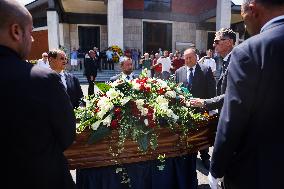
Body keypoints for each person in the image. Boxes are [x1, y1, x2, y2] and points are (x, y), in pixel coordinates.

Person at [0, 0, 76, 188]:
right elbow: (67, 136)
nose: (32, 40)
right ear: (16, 31)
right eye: (31, 32)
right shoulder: (42, 79)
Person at [208, 0, 284, 189]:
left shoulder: (249, 51)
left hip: (260, 171)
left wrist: (216, 169)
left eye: (243, 18)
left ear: (253, 9)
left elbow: (233, 117)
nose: (245, 25)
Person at [175, 48, 216, 171]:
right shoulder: (178, 72)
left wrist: (209, 108)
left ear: (196, 57)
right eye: (185, 58)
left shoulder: (205, 70)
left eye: (190, 58)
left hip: (201, 109)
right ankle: (188, 155)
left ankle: (205, 157)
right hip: (185, 111)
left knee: (203, 135)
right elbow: (175, 91)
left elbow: (211, 91)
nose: (187, 60)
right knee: (187, 135)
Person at [190, 28, 236, 112]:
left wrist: (205, 102)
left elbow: (233, 94)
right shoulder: (226, 61)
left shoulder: (236, 61)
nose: (214, 45)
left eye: (217, 42)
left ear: (229, 42)